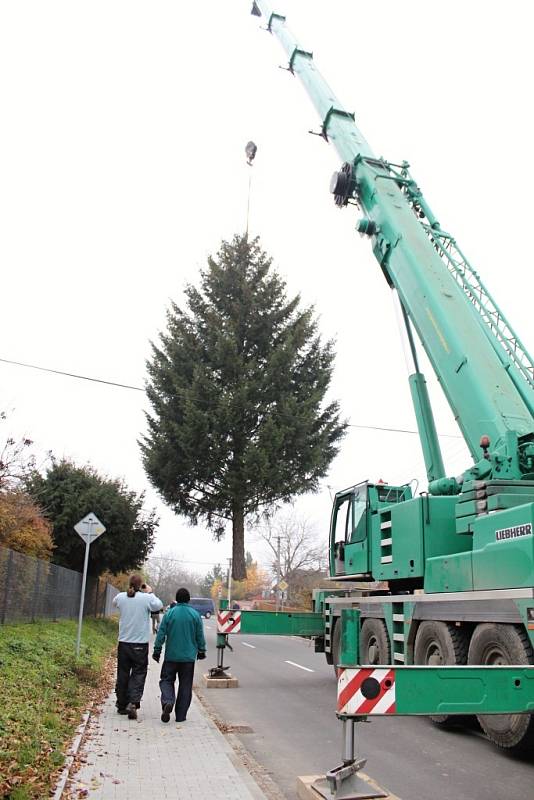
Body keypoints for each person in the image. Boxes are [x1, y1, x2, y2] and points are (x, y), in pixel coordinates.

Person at [152, 587, 207, 723]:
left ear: (177, 599)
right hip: (188, 658)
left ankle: (168, 701)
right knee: (185, 685)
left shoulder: (170, 614)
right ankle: (181, 716)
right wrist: (201, 650)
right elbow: (199, 635)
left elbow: (161, 633)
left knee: (166, 680)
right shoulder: (195, 615)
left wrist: (157, 650)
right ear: (188, 600)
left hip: (171, 656)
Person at [112, 574, 163, 719]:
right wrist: (150, 592)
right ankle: (133, 702)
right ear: (142, 585)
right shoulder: (147, 598)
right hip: (140, 644)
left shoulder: (121, 597)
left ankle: (121, 704)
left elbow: (114, 603)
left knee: (123, 673)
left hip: (123, 643)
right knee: (139, 673)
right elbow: (159, 605)